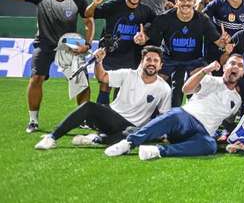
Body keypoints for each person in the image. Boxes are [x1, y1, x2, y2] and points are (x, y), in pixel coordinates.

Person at [3, 0, 93, 133]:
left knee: (82, 80)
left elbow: (88, 20)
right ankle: (33, 121)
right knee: (36, 78)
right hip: (44, 42)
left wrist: (87, 44)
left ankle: (83, 118)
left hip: (69, 44)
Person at [104, 54, 244, 160]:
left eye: (240, 65)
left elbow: (228, 123)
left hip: (202, 133)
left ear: (242, 73)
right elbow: (186, 90)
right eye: (232, 63)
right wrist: (204, 70)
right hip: (186, 118)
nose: (235, 67)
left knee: (210, 146)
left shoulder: (237, 100)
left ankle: (158, 150)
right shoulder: (209, 80)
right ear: (225, 67)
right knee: (175, 114)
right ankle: (129, 143)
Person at [35, 45, 171, 150]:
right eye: (148, 59)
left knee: (136, 135)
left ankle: (96, 139)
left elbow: (164, 116)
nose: (151, 63)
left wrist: (160, 133)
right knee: (88, 106)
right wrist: (99, 62)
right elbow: (102, 77)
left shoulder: (164, 88)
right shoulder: (128, 74)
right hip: (111, 117)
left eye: (155, 60)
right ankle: (52, 137)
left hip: (132, 127)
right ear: (142, 62)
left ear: (160, 65)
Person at [148, 0, 228, 107]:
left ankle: (202, 112)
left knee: (207, 80)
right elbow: (149, 39)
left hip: (194, 60)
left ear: (194, 2)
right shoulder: (164, 18)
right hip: (169, 59)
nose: (186, 3)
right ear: (176, 2)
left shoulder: (202, 20)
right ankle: (150, 112)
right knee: (150, 80)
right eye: (182, 0)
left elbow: (219, 42)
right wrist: (142, 37)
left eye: (189, 0)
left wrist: (224, 42)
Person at [84, 0, 156, 105]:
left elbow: (156, 27)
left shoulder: (146, 11)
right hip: (110, 54)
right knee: (105, 85)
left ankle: (117, 120)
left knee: (124, 90)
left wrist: (145, 35)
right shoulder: (113, 5)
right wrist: (95, 3)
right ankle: (99, 119)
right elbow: (89, 14)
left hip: (131, 56)